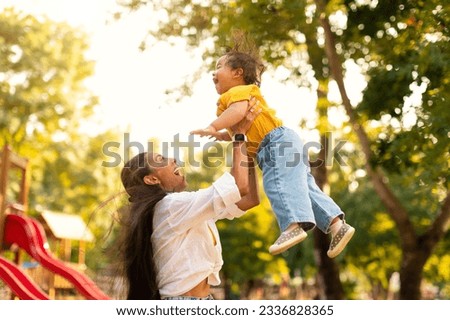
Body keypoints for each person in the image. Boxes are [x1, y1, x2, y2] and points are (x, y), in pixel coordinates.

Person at [191, 33, 355, 257]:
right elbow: (243, 131)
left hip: (275, 143)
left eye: (219, 66)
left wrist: (212, 126)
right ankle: (337, 224)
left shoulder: (236, 93)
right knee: (304, 188)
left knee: (276, 182)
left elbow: (238, 112)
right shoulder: (238, 98)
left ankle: (292, 227)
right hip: (285, 141)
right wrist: (223, 136)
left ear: (238, 73)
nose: (213, 72)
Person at [118, 101, 261, 300]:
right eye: (161, 159)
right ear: (152, 179)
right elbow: (239, 186)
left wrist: (249, 147)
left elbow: (249, 199)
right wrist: (239, 136)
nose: (173, 160)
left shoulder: (185, 211)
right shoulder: (169, 207)